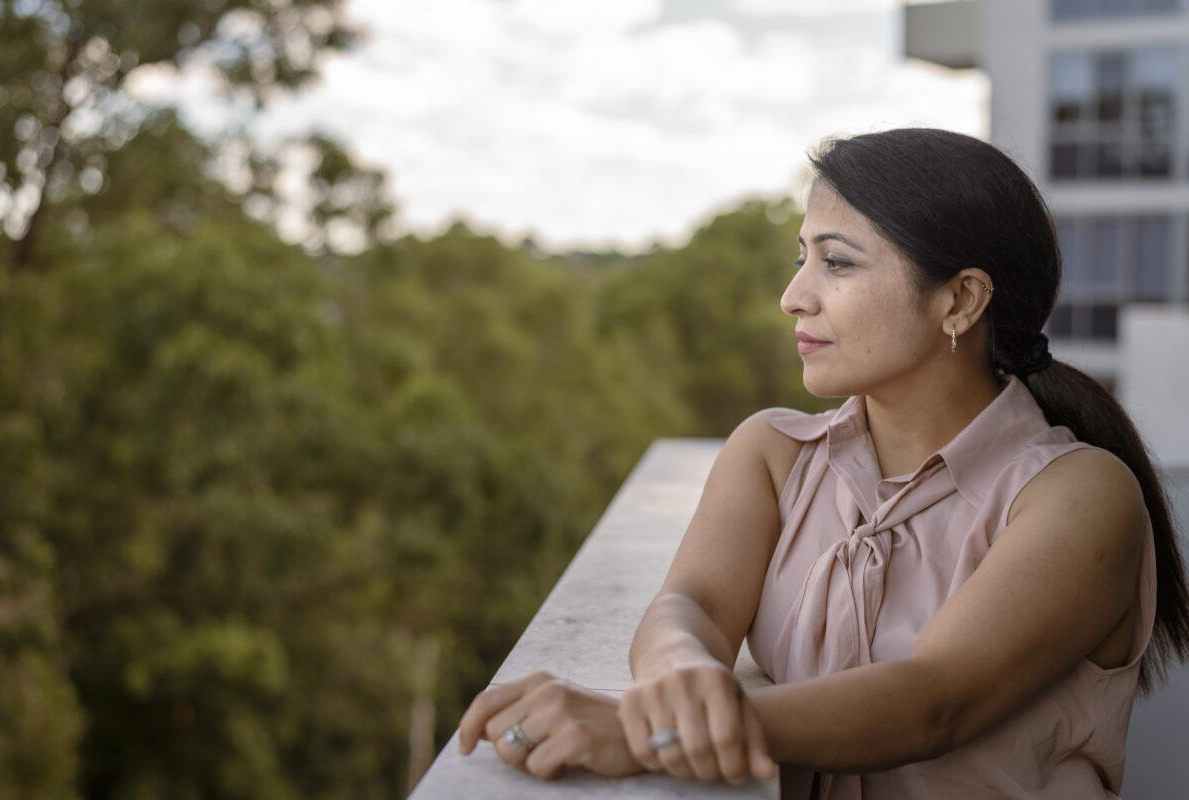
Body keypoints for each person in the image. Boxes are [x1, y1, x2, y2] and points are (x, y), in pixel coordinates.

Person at [457, 128, 1189, 798]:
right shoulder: (773, 454)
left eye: (836, 263)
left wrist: (653, 730)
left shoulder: (1080, 494)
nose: (793, 297)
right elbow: (693, 606)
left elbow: (935, 700)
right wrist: (680, 679)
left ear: (961, 300)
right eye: (801, 258)